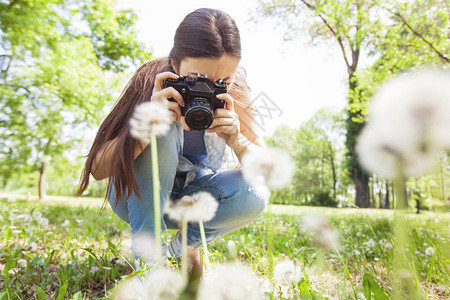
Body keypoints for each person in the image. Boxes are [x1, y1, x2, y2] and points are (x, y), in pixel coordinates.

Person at [76, 8, 269, 269]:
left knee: (255, 191)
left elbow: (266, 171)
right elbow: (98, 170)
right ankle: (149, 263)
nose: (206, 90)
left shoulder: (236, 95)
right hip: (133, 197)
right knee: (161, 130)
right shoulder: (149, 82)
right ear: (175, 64)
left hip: (194, 200)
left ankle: (185, 245)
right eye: (195, 79)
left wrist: (238, 140)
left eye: (222, 81)